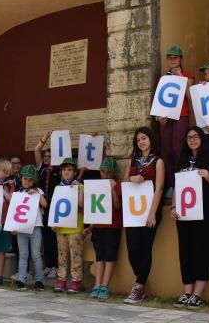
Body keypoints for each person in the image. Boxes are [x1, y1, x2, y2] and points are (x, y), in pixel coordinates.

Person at [170, 126, 209, 309]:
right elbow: (178, 186)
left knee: (202, 251)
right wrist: (174, 206)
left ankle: (198, 294)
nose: (192, 140)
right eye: (189, 137)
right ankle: (187, 292)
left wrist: (208, 176)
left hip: (205, 213)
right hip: (184, 214)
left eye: (195, 136)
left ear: (202, 138)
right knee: (185, 252)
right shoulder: (182, 161)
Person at [123, 127, 165, 305]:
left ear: (151, 139)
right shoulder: (133, 161)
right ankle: (140, 281)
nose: (141, 141)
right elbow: (124, 183)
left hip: (149, 212)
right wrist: (132, 179)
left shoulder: (158, 161)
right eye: (138, 139)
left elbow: (160, 188)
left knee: (145, 249)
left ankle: (138, 287)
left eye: (144, 138)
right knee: (133, 250)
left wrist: (152, 214)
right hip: (132, 213)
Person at [156, 46, 195, 192]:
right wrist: (158, 117)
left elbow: (190, 96)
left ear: (180, 59)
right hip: (165, 118)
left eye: (175, 57)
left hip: (181, 115)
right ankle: (171, 184)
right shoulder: (163, 77)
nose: (172, 60)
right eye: (170, 57)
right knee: (166, 151)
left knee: (178, 149)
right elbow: (159, 100)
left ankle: (181, 183)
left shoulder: (187, 75)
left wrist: (180, 78)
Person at [87, 157, 122, 301]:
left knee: (109, 256)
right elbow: (93, 208)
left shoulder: (117, 186)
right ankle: (97, 284)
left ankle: (105, 286)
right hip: (98, 226)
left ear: (114, 173)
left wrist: (113, 189)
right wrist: (90, 227)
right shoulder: (96, 186)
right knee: (99, 256)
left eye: (109, 172)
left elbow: (117, 206)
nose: (105, 175)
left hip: (112, 226)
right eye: (103, 172)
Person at [52, 157, 85, 294]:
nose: (66, 172)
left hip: (75, 227)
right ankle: (62, 279)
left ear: (75, 172)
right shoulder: (58, 188)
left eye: (70, 169)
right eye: (64, 169)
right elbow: (55, 207)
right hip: (61, 227)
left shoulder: (79, 186)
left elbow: (82, 206)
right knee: (61, 254)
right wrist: (53, 223)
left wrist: (77, 190)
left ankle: (76, 280)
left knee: (75, 255)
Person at [13, 164, 47, 291]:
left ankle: (39, 280)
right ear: (21, 178)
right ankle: (21, 278)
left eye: (30, 179)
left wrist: (37, 195)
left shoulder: (38, 191)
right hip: (21, 227)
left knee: (36, 254)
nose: (27, 181)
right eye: (25, 178)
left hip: (35, 226)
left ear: (34, 181)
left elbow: (44, 204)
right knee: (23, 254)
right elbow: (14, 212)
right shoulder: (18, 193)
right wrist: (14, 227)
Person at [35, 131, 61, 278]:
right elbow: (36, 150)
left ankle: (55, 267)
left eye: (49, 156)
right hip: (42, 209)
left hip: (55, 209)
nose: (46, 158)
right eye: (45, 156)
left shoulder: (59, 171)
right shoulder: (41, 169)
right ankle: (49, 265)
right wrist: (45, 138)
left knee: (53, 238)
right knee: (45, 238)